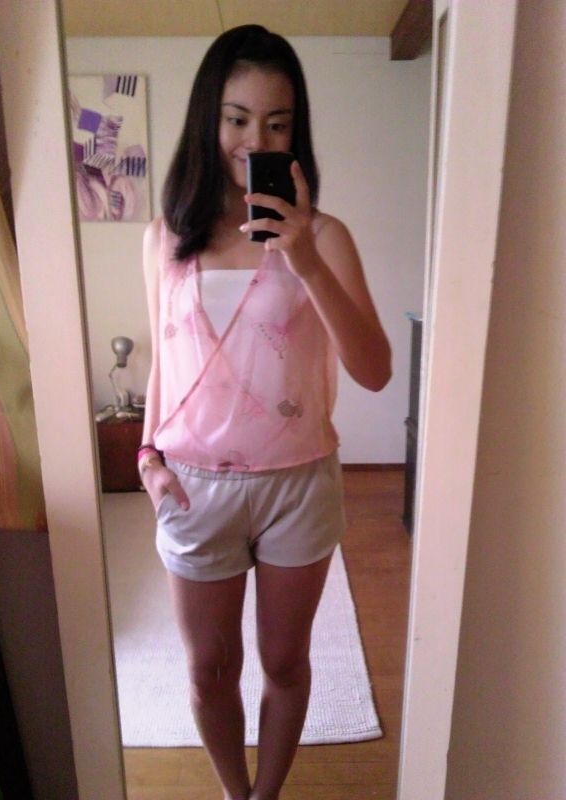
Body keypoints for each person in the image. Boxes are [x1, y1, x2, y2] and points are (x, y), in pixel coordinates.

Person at [137, 24, 392, 800]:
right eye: (237, 118)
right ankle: (233, 791)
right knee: (208, 671)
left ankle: (267, 796)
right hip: (193, 485)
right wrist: (146, 457)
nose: (255, 141)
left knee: (285, 662)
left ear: (295, 133)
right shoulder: (164, 240)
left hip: (297, 484)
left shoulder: (325, 238)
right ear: (207, 120)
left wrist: (304, 258)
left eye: (277, 124)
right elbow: (164, 363)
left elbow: (375, 370)